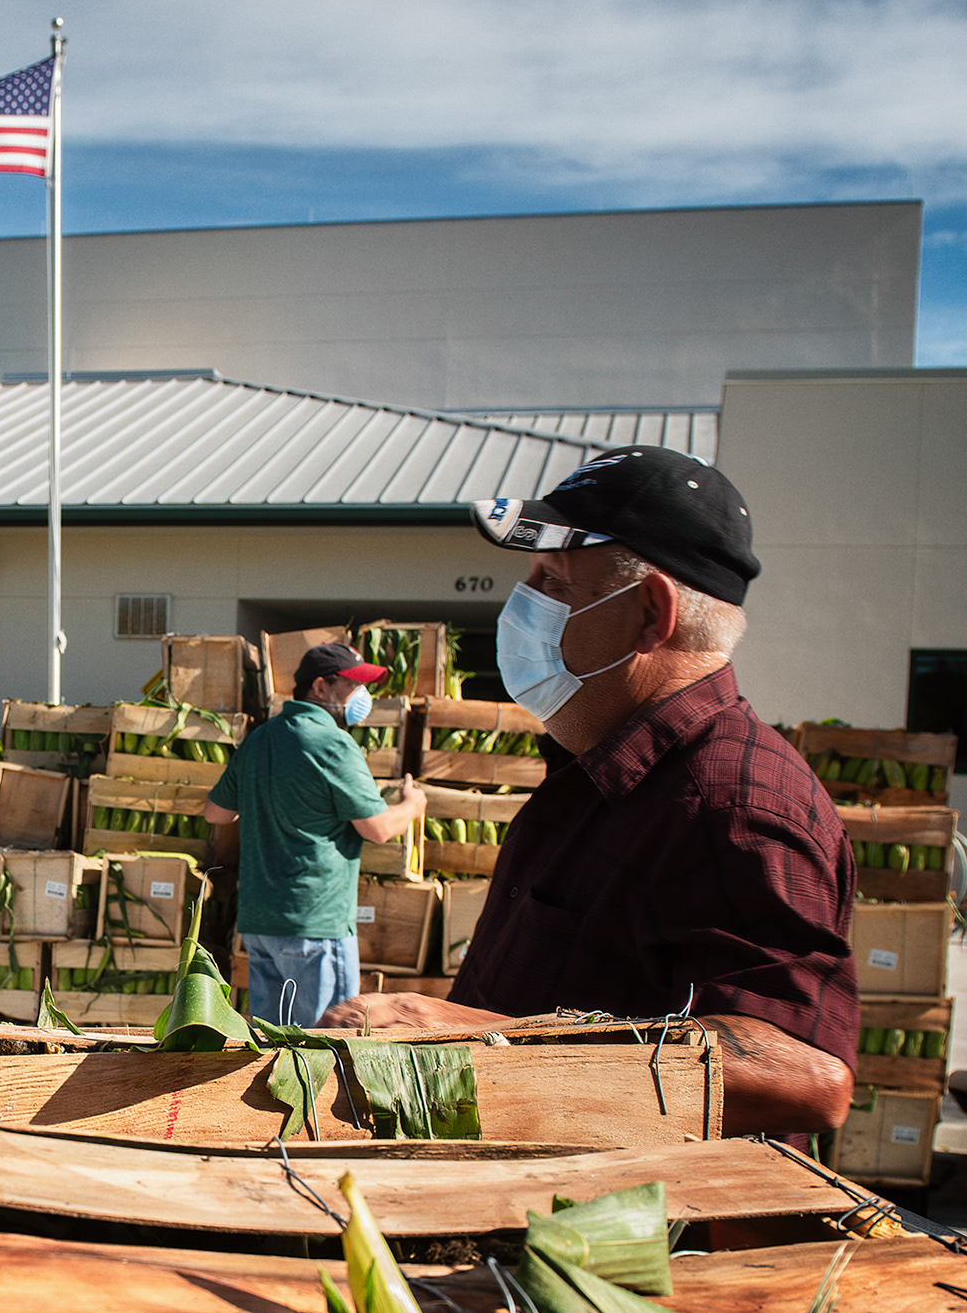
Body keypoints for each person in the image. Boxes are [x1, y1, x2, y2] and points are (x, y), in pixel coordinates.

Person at [319, 447, 857, 1136]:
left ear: (650, 612)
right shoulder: (599, 772)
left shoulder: (731, 803)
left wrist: (472, 1033)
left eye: (555, 579)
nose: (523, 604)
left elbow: (803, 1076)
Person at [205, 642, 427, 1026]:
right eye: (353, 685)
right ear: (321, 687)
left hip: (260, 923)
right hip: (314, 923)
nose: (362, 695)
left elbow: (217, 812)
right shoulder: (333, 743)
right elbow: (377, 829)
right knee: (325, 1049)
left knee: (273, 1049)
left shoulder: (259, 739)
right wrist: (413, 805)